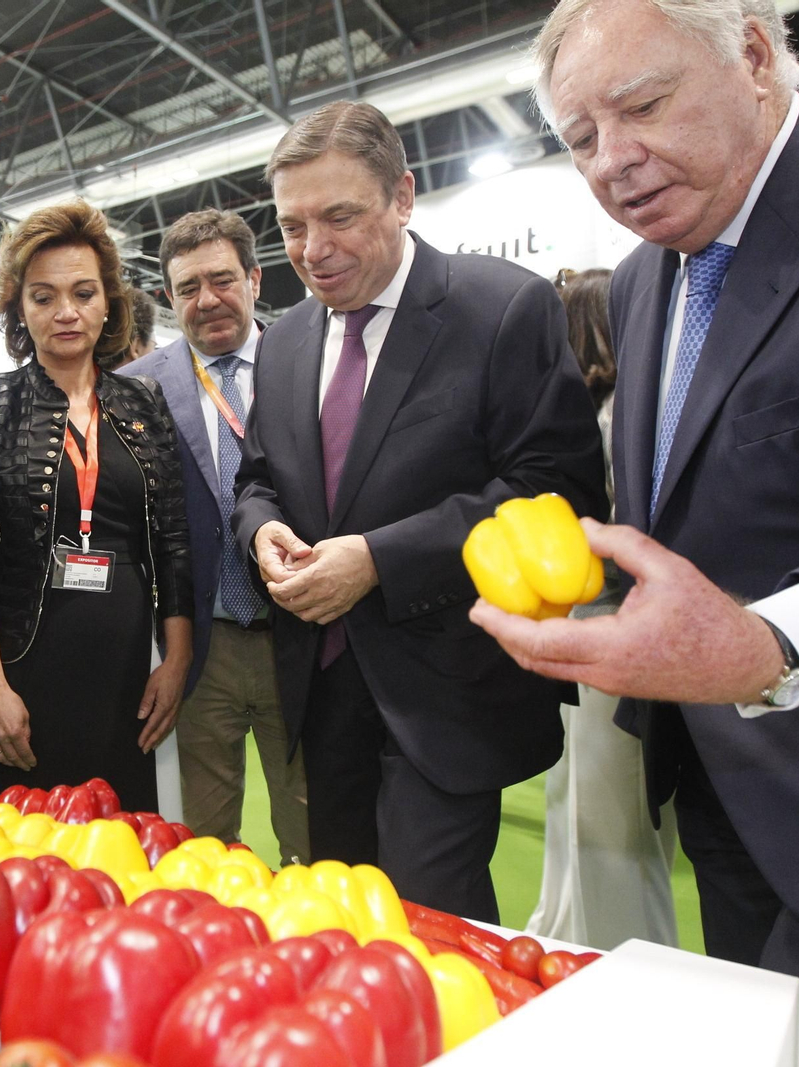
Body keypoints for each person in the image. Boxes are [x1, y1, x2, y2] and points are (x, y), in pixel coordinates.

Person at [473, 1, 799, 1059]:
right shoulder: (650, 275)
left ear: (753, 53)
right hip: (722, 790)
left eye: (643, 106)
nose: (612, 161)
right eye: (579, 139)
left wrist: (770, 641)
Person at [231, 100, 606, 921]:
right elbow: (257, 477)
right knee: (342, 918)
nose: (313, 250)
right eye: (292, 226)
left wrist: (379, 559)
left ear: (402, 196)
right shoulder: (284, 342)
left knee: (432, 925)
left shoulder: (500, 308)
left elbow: (557, 489)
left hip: (446, 688)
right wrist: (261, 530)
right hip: (321, 689)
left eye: (339, 217)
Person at [0, 201, 194, 812]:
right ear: (19, 308)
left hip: (125, 674)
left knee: (116, 844)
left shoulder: (144, 401)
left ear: (108, 302)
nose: (66, 312)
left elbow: (173, 544)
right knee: (6, 846)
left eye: (83, 293)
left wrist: (177, 660)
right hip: (21, 671)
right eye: (43, 296)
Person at [123, 209, 309, 864]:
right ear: (168, 298)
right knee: (202, 842)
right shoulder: (136, 387)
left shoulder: (309, 361)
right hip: (201, 649)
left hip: (301, 638)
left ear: (255, 279)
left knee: (313, 836)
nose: (207, 299)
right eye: (188, 287)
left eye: (222, 279)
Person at [526, 268, 678, 950]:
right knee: (583, 808)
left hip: (614, 629)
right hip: (596, 631)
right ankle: (567, 935)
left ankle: (621, 957)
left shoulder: (614, 419)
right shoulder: (608, 414)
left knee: (610, 820)